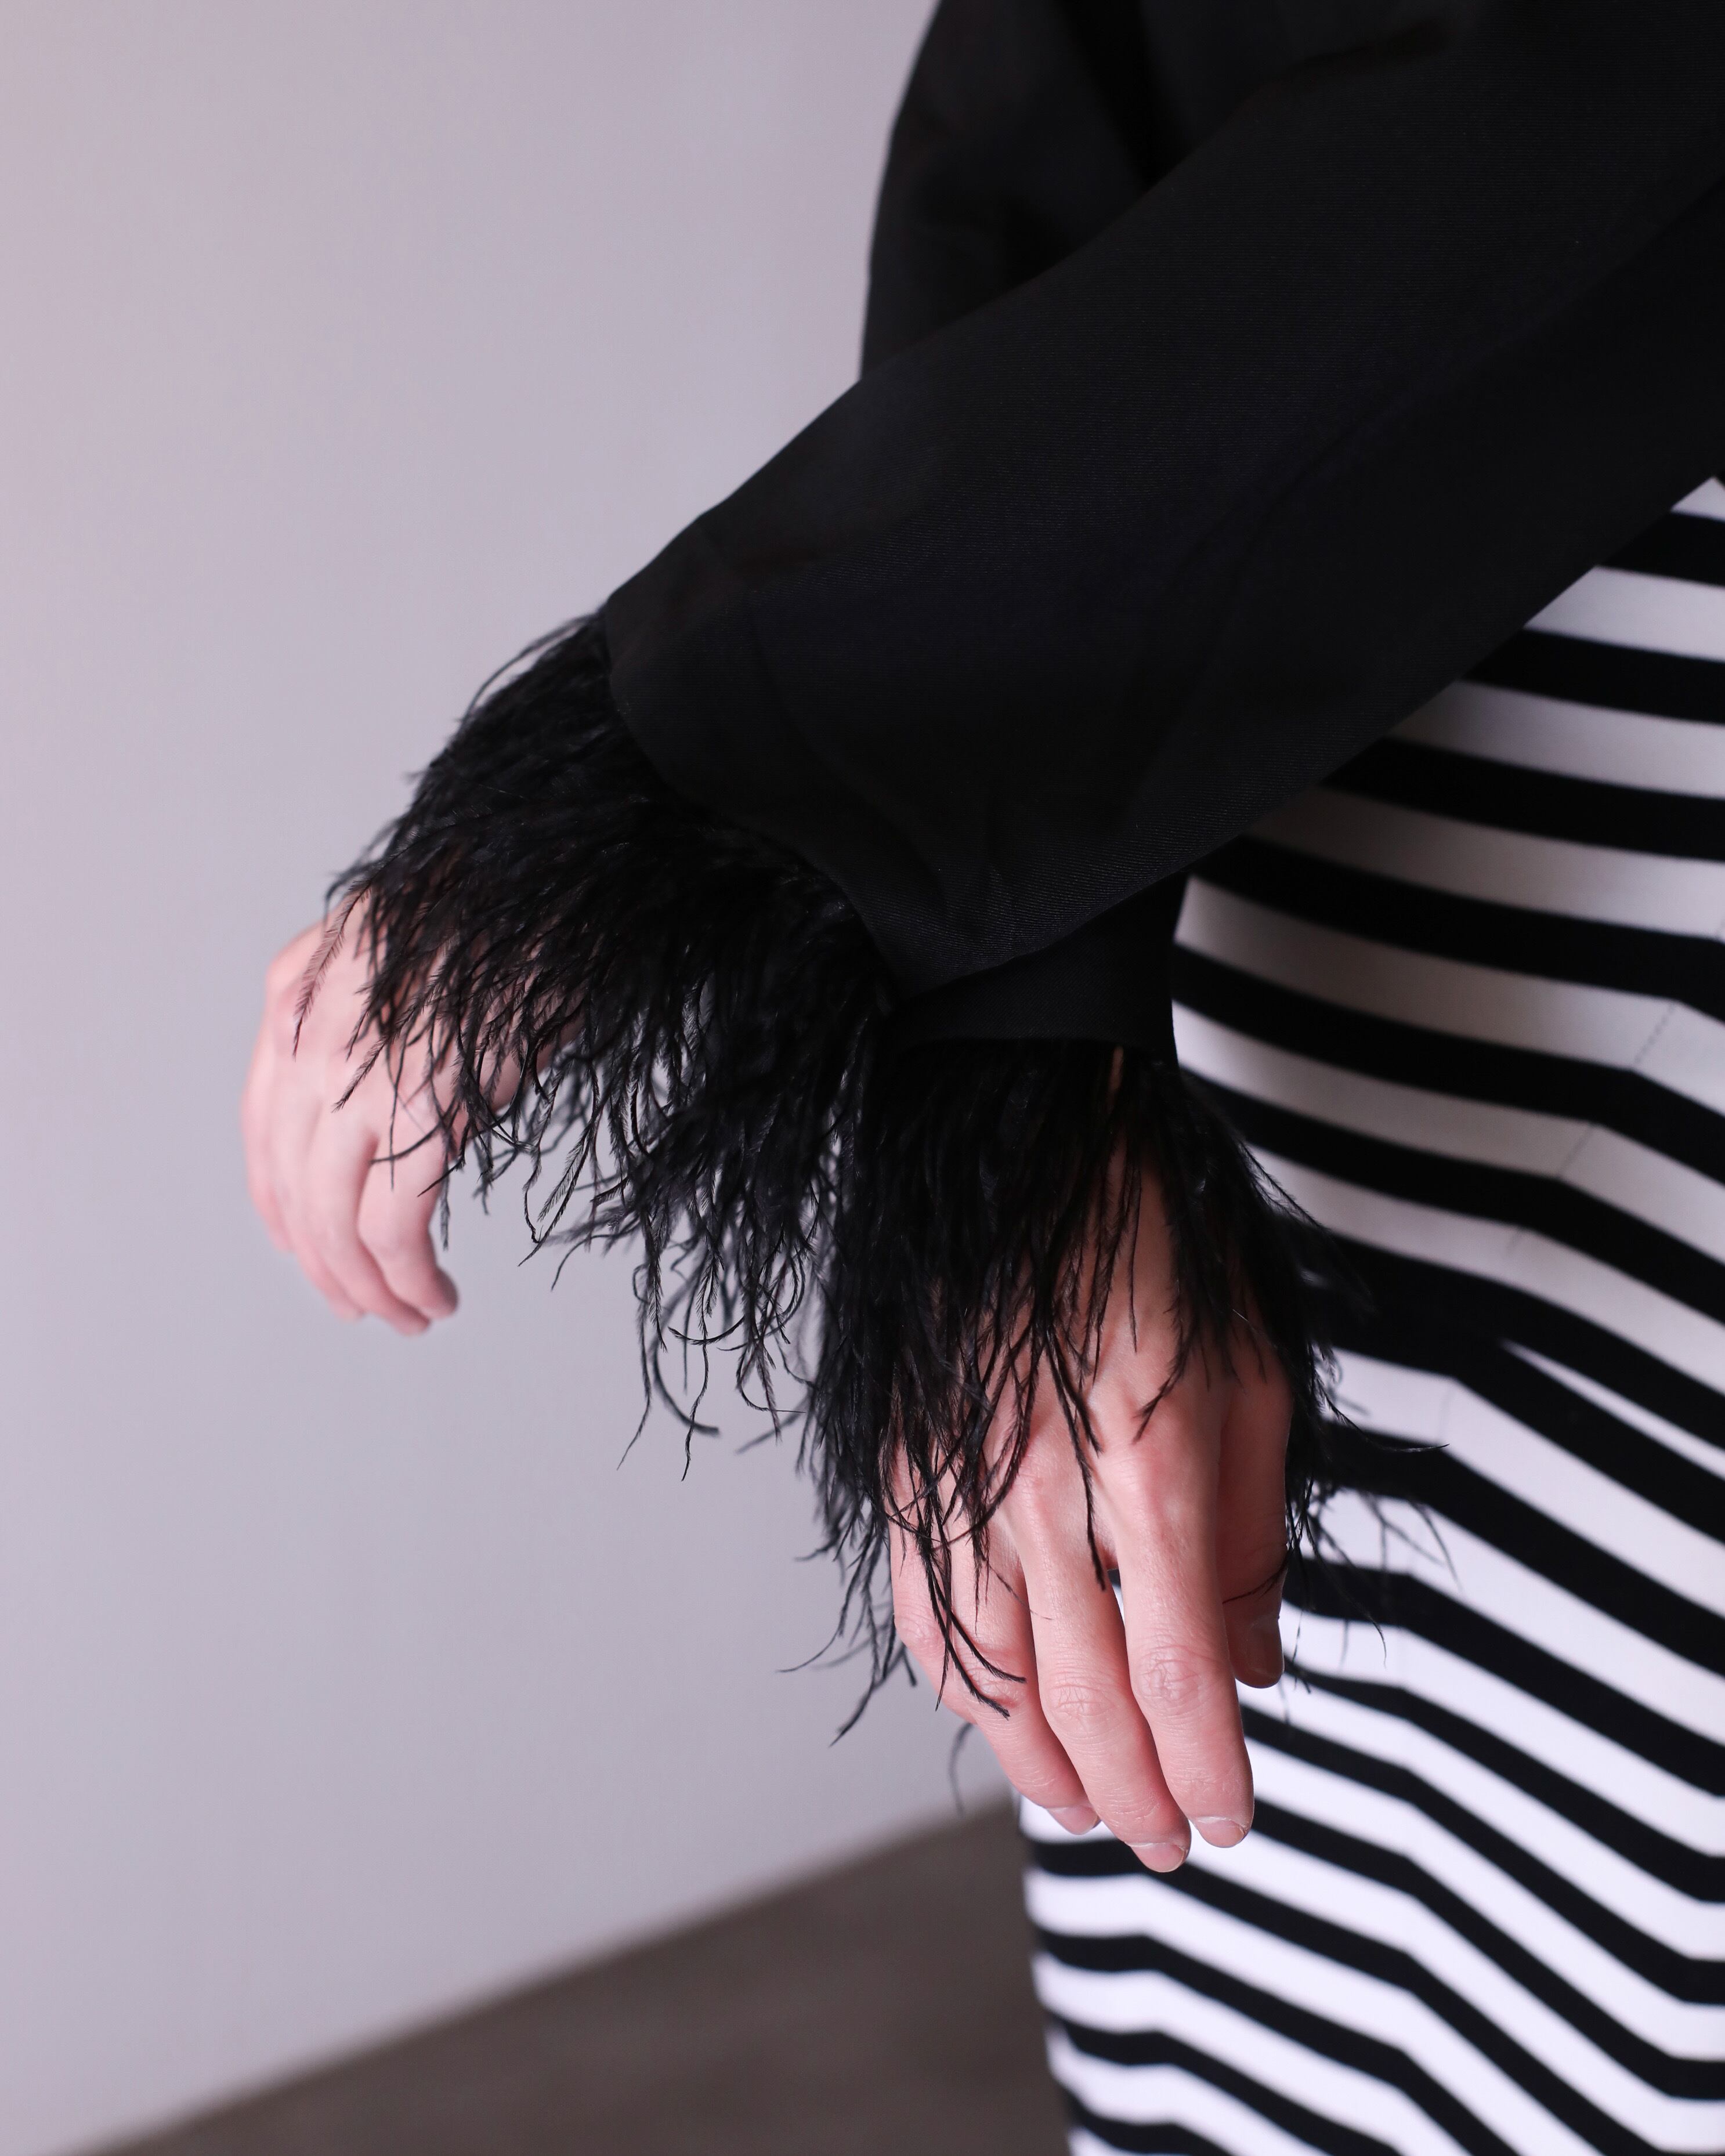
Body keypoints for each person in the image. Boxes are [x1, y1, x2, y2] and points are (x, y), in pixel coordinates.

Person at [243, 3, 1725, 2148]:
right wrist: (1033, 1047)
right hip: (1230, 857)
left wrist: (726, 744)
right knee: (1259, 1937)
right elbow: (1069, 57)